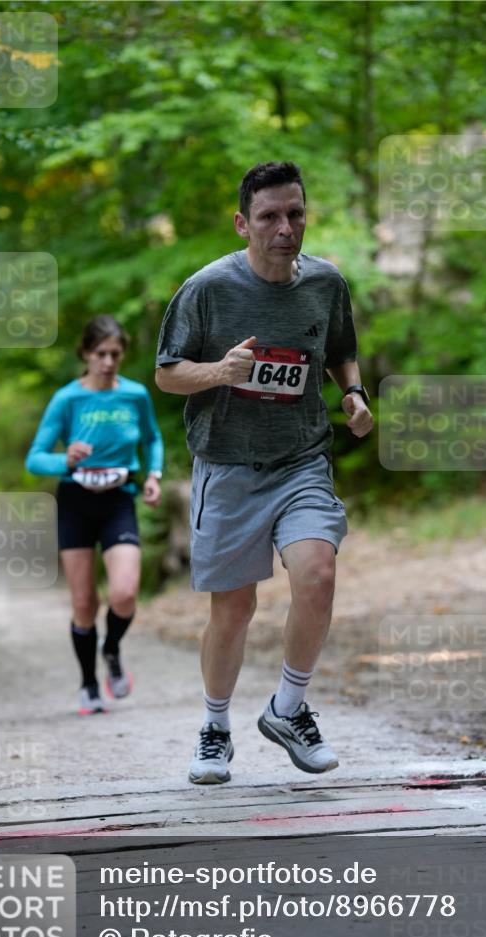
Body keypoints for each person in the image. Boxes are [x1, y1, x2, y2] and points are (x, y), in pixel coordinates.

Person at [155, 161, 373, 783]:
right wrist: (221, 372)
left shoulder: (326, 283)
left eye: (295, 214)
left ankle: (288, 708)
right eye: (270, 216)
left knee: (318, 571)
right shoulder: (207, 289)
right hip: (227, 467)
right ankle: (215, 727)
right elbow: (168, 373)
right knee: (234, 609)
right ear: (242, 223)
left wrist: (354, 395)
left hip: (301, 459)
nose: (285, 227)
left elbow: (339, 352)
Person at [26, 315, 164, 715]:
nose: (108, 361)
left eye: (115, 354)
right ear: (85, 354)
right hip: (75, 502)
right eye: (100, 353)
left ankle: (112, 648)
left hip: (119, 499)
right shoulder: (67, 399)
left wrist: (153, 475)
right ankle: (88, 683)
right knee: (84, 602)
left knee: (123, 594)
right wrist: (63, 459)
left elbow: (153, 439)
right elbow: (35, 458)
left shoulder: (135, 395)